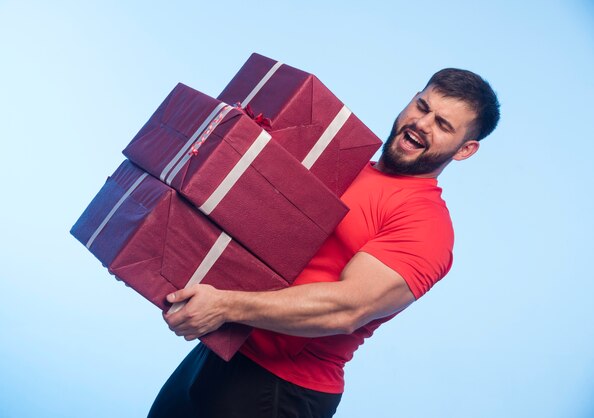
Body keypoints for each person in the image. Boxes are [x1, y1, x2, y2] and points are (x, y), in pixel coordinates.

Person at [148, 68, 500, 418]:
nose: (422, 123)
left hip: (278, 391)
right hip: (220, 350)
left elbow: (348, 309)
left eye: (443, 125)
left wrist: (224, 307)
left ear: (465, 149)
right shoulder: (346, 165)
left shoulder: (426, 226)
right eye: (422, 107)